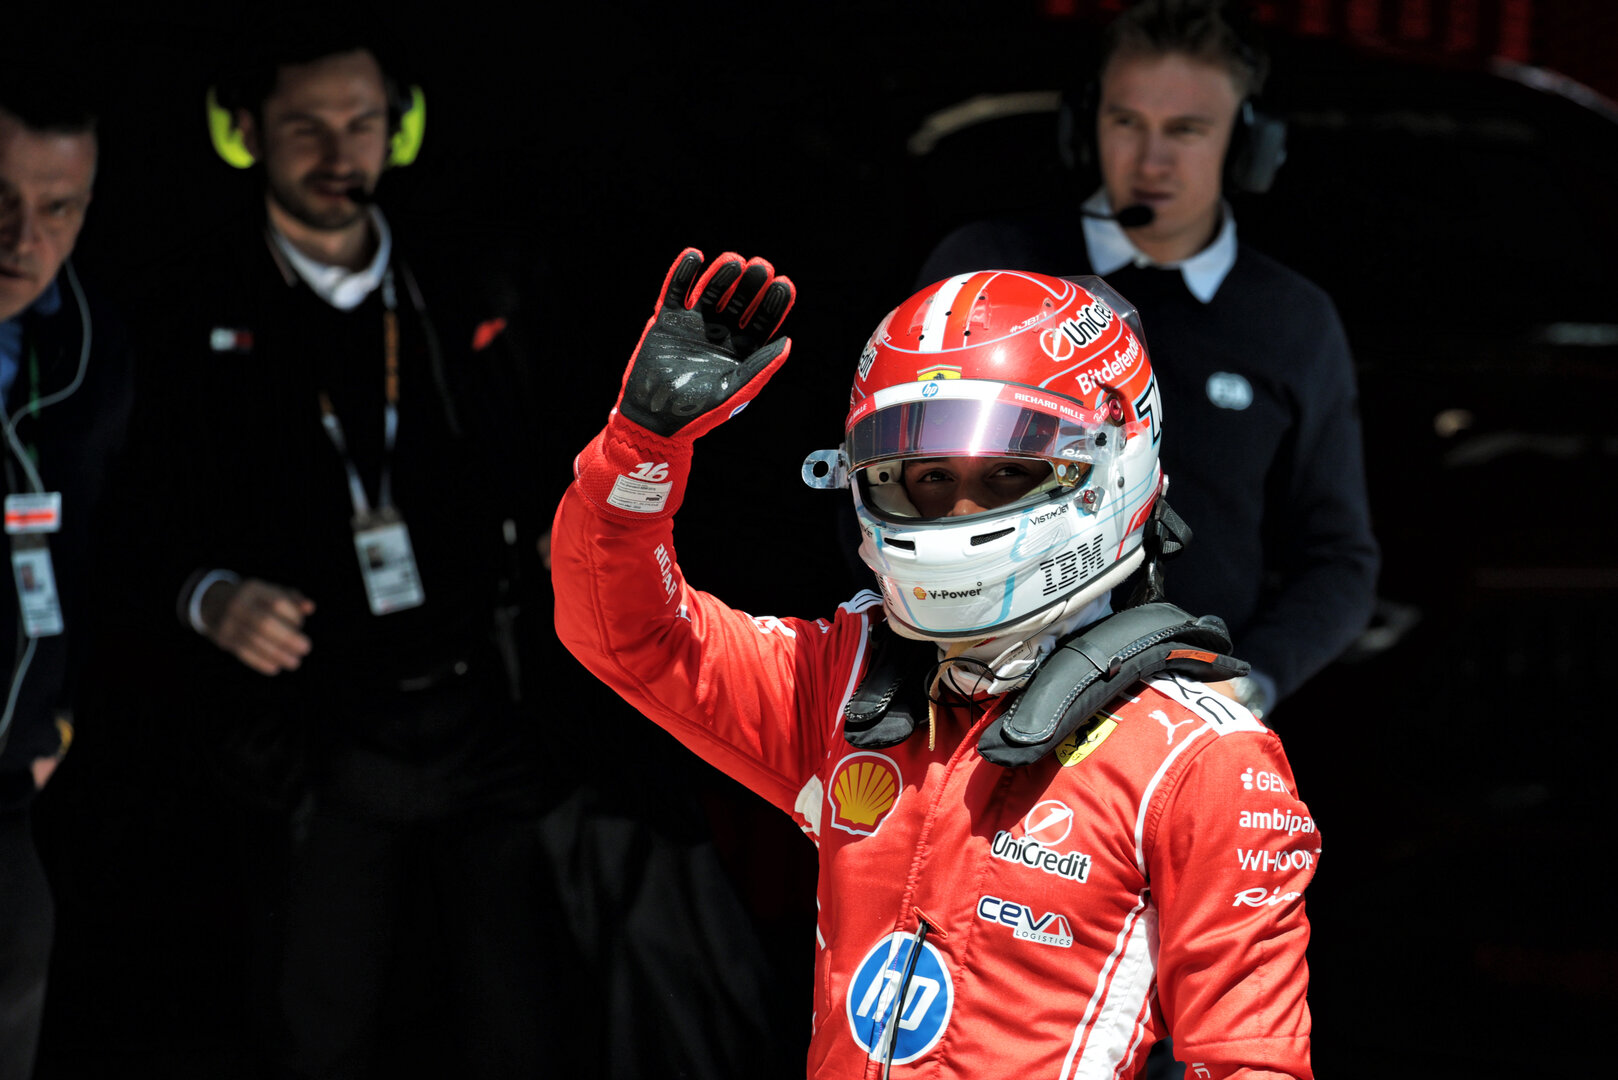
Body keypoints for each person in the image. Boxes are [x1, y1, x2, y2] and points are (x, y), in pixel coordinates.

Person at [553, 252, 1320, 1078]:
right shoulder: (845, 683)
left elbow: (1250, 1063)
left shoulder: (1201, 759)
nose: (956, 512)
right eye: (925, 478)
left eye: (1005, 475)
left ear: (1113, 468)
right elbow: (631, 633)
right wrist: (640, 447)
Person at [107, 32, 576, 1077]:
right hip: (311, 731)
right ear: (246, 134)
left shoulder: (461, 277)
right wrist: (203, 595)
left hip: (477, 708)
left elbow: (536, 450)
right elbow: (125, 511)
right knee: (313, 1023)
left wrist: (556, 533)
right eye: (304, 126)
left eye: (361, 122)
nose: (337, 150)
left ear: (398, 127)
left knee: (521, 1017)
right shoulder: (185, 302)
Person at [918, 0, 1379, 720]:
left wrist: (1246, 690)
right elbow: (885, 475)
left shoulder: (1293, 322)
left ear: (1246, 144)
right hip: (983, 708)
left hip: (1193, 731)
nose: (1151, 160)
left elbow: (1341, 562)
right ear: (1085, 126)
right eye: (1126, 122)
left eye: (1186, 131)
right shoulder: (990, 274)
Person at [0, 81, 133, 1079]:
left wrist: (59, 723)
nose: (22, 238)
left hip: (19, 774)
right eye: (0, 201)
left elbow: (102, 551)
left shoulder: (93, 345)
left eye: (57, 209)